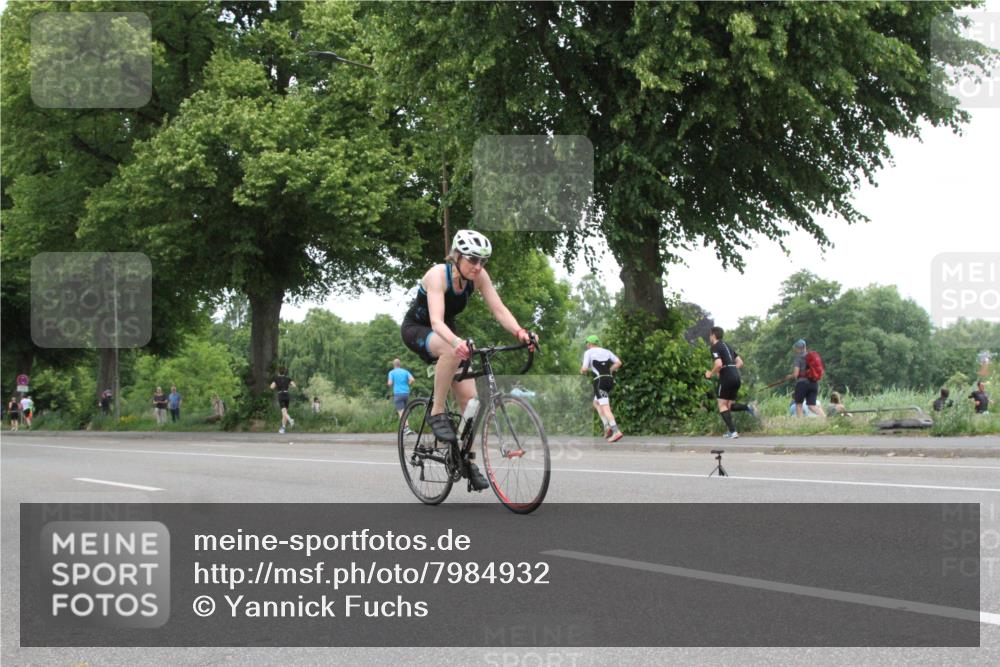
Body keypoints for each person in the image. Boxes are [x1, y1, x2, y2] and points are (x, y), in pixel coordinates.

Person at [400, 229, 535, 492]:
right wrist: (455, 343)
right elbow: (436, 321)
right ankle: (437, 411)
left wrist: (520, 331)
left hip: (447, 334)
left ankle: (467, 462)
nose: (478, 266)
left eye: (483, 261)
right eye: (473, 259)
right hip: (419, 329)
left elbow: (499, 309)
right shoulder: (437, 274)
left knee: (470, 402)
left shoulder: (478, 277)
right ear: (457, 256)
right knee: (452, 351)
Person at [705, 326, 756, 439]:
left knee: (722, 404)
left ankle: (733, 432)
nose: (709, 337)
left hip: (726, 377)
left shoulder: (714, 347)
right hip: (736, 376)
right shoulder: (727, 346)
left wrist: (711, 373)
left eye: (710, 335)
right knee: (730, 405)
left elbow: (718, 364)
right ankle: (747, 407)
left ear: (713, 335)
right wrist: (731, 369)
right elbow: (740, 362)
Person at [580, 334, 624, 442]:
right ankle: (606, 426)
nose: (587, 346)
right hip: (609, 380)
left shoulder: (588, 352)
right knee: (596, 402)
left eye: (587, 344)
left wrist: (582, 371)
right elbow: (619, 363)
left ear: (589, 344)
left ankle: (616, 431)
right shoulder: (607, 351)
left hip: (600, 381)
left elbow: (585, 368)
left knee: (605, 408)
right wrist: (609, 370)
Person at [785, 339, 826, 418]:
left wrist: (789, 376)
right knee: (812, 405)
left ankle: (800, 423)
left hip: (802, 384)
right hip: (814, 383)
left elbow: (796, 374)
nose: (795, 350)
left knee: (799, 404)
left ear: (799, 348)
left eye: (796, 348)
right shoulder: (812, 356)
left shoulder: (798, 358)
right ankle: (825, 418)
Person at [387, 358, 416, 435]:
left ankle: (406, 429)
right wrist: (407, 384)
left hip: (398, 394)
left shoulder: (391, 372)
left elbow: (390, 383)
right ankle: (406, 428)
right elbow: (412, 379)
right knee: (405, 411)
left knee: (401, 412)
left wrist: (392, 384)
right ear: (400, 364)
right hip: (406, 393)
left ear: (393, 365)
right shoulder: (405, 371)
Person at [270, 367, 297, 434]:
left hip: (281, 395)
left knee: (284, 412)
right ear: (285, 372)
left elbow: (272, 387)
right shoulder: (288, 378)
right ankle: (283, 428)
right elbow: (294, 385)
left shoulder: (276, 379)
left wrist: (277, 385)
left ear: (279, 372)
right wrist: (288, 385)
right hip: (287, 395)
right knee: (284, 413)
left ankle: (290, 420)